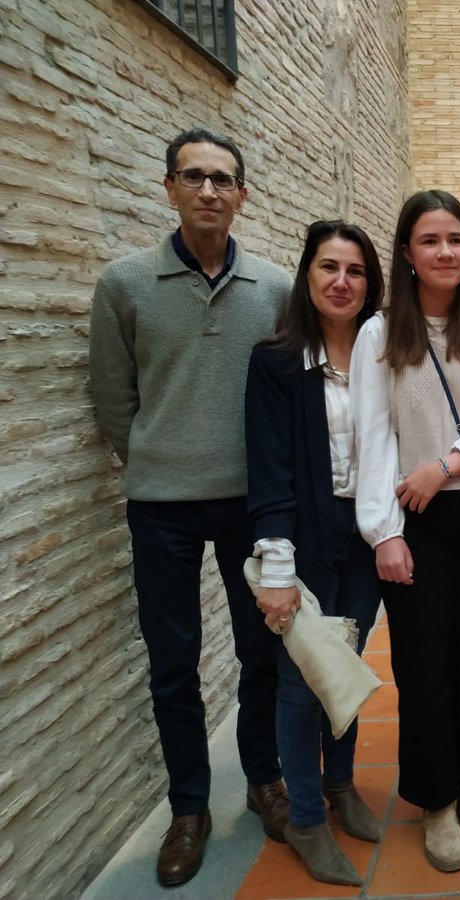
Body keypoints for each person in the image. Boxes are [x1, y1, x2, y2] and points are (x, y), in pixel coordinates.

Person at [88, 126, 291, 887]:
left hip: (251, 503)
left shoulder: (273, 288)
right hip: (162, 508)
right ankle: (190, 808)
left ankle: (265, 781)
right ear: (168, 187)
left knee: (261, 653)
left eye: (223, 179)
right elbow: (113, 396)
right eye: (193, 176)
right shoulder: (125, 284)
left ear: (243, 195)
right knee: (173, 665)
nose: (209, 190)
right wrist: (151, 461)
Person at [350, 190, 460, 872]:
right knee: (424, 670)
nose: (447, 251)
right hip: (413, 524)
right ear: (407, 253)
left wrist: (446, 464)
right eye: (431, 240)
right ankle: (436, 802)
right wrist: (383, 533)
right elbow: (372, 439)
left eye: (456, 238)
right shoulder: (380, 335)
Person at [245, 220, 385, 885]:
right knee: (302, 683)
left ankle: (342, 787)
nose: (341, 281)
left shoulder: (385, 355)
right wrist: (276, 568)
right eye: (328, 267)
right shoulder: (276, 361)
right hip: (302, 533)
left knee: (346, 668)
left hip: (365, 533)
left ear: (371, 283)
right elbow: (268, 471)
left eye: (355, 270)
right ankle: (305, 816)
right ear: (307, 276)